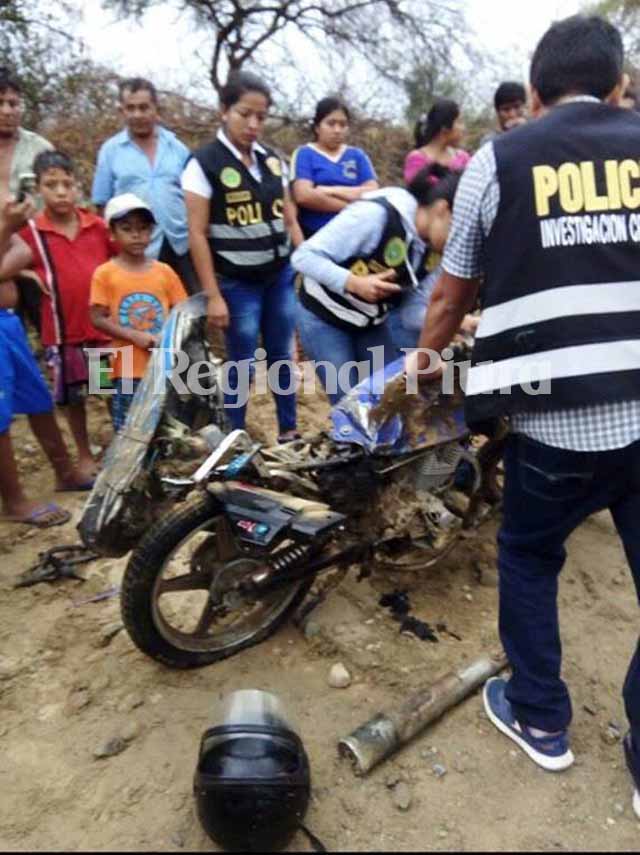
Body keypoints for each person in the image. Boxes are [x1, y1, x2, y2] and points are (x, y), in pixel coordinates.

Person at [412, 14, 640, 816]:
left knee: (531, 555)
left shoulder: (500, 158)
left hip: (555, 427)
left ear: (535, 94)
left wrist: (422, 370)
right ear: (619, 86)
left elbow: (450, 292)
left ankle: (542, 719)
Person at [181, 70, 303, 443]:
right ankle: (234, 434)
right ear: (224, 111)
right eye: (244, 114)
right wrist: (214, 294)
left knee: (282, 352)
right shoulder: (203, 164)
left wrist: (304, 261)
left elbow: (288, 215)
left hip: (279, 275)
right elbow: (197, 234)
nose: (253, 124)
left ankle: (289, 430)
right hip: (237, 282)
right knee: (242, 359)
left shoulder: (272, 161)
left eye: (261, 117)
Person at [292, 168, 460, 403]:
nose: (460, 239)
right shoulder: (374, 216)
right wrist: (352, 282)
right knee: (349, 403)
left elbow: (411, 313)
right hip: (324, 318)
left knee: (389, 398)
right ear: (442, 209)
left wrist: (459, 321)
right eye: (459, 228)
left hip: (370, 321)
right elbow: (303, 256)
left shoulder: (432, 250)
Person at [0, 150, 113, 481]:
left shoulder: (97, 226)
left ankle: (120, 446)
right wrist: (25, 274)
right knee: (73, 399)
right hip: (63, 334)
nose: (61, 192)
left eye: (67, 184)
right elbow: (8, 261)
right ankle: (83, 454)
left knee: (106, 391)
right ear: (38, 189)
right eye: (51, 185)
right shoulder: (31, 233)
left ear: (79, 186)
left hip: (99, 330)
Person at [0, 195, 94, 529]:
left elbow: (22, 251)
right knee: (0, 417)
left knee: (38, 398)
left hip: (8, 321)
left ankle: (65, 472)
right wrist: (6, 229)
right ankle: (14, 501)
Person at [90, 194, 188, 431]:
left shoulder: (164, 272)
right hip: (124, 365)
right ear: (112, 234)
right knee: (129, 426)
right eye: (127, 229)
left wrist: (169, 339)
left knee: (166, 424)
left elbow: (183, 313)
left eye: (143, 229)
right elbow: (96, 318)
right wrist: (134, 336)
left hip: (161, 364)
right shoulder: (105, 273)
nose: (136, 235)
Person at [92, 77, 198, 294]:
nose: (137, 114)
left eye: (143, 107)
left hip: (180, 243)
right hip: (137, 247)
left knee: (190, 310)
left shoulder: (176, 147)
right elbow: (101, 205)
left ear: (155, 109)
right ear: (122, 111)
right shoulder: (111, 151)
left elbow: (193, 197)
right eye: (130, 108)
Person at [386, 164, 461, 354]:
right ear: (442, 209)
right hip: (331, 309)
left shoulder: (435, 249)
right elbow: (411, 315)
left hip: (384, 318)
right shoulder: (386, 219)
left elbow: (416, 308)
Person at [0, 66, 53, 334]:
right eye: (0, 103)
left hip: (40, 259)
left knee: (65, 339)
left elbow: (59, 205)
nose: (8, 111)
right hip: (4, 258)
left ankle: (103, 376)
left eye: (13, 103)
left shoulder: (39, 148)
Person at [290, 97, 378, 239]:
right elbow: (304, 196)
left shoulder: (357, 155)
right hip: (316, 235)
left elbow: (372, 192)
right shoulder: (305, 153)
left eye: (343, 125)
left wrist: (329, 190)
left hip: (354, 234)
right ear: (317, 127)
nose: (337, 130)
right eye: (331, 124)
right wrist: (353, 205)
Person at [403, 99, 470, 185]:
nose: (463, 128)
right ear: (444, 128)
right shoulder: (417, 159)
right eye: (459, 122)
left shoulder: (463, 157)